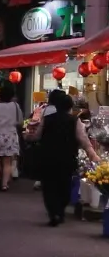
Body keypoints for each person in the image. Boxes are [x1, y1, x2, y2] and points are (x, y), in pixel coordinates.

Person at [38, 94, 100, 226]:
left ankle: (53, 212)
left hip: (47, 156)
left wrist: (28, 136)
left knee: (49, 186)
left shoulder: (47, 119)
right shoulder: (74, 121)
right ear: (70, 107)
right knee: (64, 185)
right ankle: (59, 211)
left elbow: (37, 135)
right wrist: (92, 154)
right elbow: (83, 139)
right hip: (66, 157)